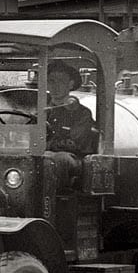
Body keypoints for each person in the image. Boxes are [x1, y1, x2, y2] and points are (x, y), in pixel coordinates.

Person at [42, 60, 99, 195]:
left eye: (60, 82)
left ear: (70, 84)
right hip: (44, 153)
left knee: (56, 160)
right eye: (51, 81)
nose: (55, 86)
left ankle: (55, 200)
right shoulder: (41, 110)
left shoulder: (82, 113)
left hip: (75, 159)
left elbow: (74, 143)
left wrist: (45, 146)